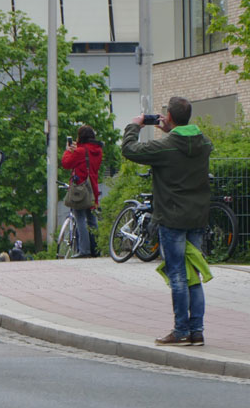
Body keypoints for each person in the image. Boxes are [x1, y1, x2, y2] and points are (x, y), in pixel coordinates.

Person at [120, 97, 214, 346]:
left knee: (178, 275)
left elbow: (129, 149)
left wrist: (135, 126)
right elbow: (184, 148)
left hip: (172, 218)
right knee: (193, 273)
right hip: (197, 217)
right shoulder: (204, 143)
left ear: (169, 117)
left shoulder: (165, 147)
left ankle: (181, 330)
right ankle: (197, 331)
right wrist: (171, 131)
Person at [61, 124, 104, 257]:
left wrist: (68, 151)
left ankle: (84, 250)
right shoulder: (98, 150)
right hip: (93, 188)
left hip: (80, 190)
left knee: (80, 218)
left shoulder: (80, 151)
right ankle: (96, 249)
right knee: (92, 219)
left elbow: (66, 163)